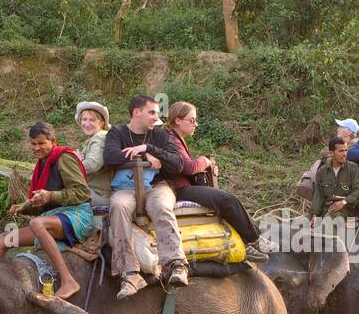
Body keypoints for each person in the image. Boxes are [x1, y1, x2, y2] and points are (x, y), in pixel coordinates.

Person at [0, 121, 94, 300]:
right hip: (53, 218)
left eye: (41, 143)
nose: (36, 148)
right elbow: (42, 202)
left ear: (53, 141)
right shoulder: (42, 163)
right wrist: (23, 207)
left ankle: (68, 281)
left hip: (77, 215)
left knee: (37, 223)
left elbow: (82, 193)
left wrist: (51, 196)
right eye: (33, 144)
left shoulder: (64, 158)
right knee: (4, 239)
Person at [162, 100, 273, 263]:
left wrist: (206, 168)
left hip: (182, 186)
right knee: (227, 200)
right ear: (177, 120)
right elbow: (187, 167)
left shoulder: (176, 138)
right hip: (178, 189)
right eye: (192, 120)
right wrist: (205, 162)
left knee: (224, 198)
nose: (196, 124)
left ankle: (244, 242)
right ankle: (254, 240)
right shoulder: (170, 140)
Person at [103, 94, 187, 299]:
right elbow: (110, 156)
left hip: (156, 187)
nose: (155, 118)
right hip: (126, 189)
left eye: (157, 113)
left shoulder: (158, 135)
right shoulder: (117, 132)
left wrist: (149, 148)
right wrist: (144, 156)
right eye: (151, 113)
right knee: (118, 205)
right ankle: (130, 273)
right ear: (136, 112)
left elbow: (177, 163)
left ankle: (176, 264)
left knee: (161, 206)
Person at [311, 136, 359, 223]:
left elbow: (358, 190)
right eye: (341, 151)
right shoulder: (322, 171)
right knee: (302, 223)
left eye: (346, 150)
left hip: (344, 209)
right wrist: (314, 214)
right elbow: (318, 195)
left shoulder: (353, 168)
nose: (345, 154)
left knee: (328, 221)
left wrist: (344, 202)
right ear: (331, 153)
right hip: (325, 208)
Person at [75, 101, 113, 207]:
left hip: (99, 194)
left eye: (92, 120)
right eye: (84, 119)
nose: (87, 124)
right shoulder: (95, 138)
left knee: (59, 193)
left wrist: (77, 162)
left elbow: (92, 165)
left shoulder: (100, 137)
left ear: (101, 123)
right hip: (93, 191)